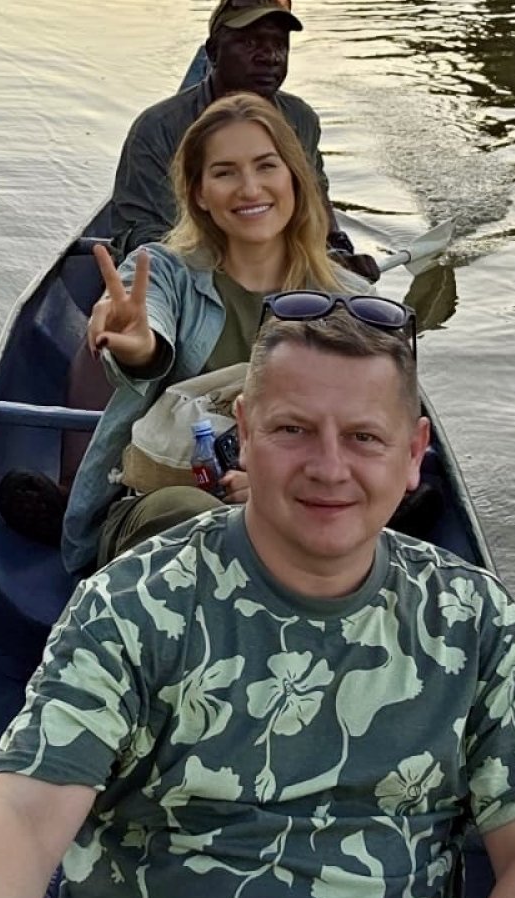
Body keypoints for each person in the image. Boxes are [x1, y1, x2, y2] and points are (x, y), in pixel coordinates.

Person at [0, 302, 515, 898]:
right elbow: (22, 818)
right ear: (243, 434)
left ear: (414, 452)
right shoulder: (132, 603)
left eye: (363, 437)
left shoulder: (476, 621)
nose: (329, 468)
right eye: (293, 430)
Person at [60, 91, 363, 575]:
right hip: (163, 504)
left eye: (266, 166)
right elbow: (146, 324)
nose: (249, 189)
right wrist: (140, 347)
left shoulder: (350, 300)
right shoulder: (162, 269)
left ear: (294, 177)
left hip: (304, 503)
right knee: (194, 515)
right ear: (199, 193)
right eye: (225, 173)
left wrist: (276, 491)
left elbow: (368, 433)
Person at [109, 0, 374, 278]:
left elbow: (315, 198)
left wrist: (337, 251)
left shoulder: (301, 119)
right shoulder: (158, 129)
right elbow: (142, 235)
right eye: (250, 43)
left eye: (280, 44)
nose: (270, 56)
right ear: (213, 52)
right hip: (190, 276)